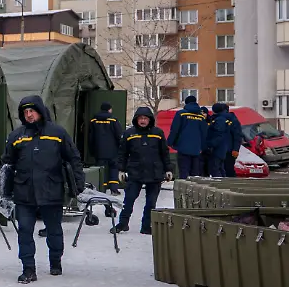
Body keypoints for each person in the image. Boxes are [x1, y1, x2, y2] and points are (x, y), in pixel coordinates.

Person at [1, 95, 85, 284]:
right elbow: (7, 163)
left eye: (32, 111)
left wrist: (77, 184)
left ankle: (56, 261)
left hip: (51, 191)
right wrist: (4, 191)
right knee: (24, 231)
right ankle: (28, 269)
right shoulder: (17, 136)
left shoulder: (57, 133)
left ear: (40, 111)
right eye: (25, 112)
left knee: (54, 230)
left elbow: (73, 158)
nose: (29, 115)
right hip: (24, 193)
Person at [113, 107, 172, 235]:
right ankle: (123, 224)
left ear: (150, 119)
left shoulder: (158, 133)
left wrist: (168, 169)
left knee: (151, 202)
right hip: (135, 172)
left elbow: (164, 153)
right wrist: (121, 170)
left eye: (145, 118)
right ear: (136, 119)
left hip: (155, 172)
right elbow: (122, 153)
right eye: (140, 118)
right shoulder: (129, 134)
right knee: (129, 200)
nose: (143, 121)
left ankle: (146, 226)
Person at [166, 95, 208, 178]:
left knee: (184, 171)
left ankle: (184, 189)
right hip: (196, 149)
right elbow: (204, 134)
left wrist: (170, 142)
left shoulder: (181, 114)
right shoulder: (201, 117)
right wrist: (203, 148)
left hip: (183, 148)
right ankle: (194, 190)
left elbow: (175, 129)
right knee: (195, 174)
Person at [89, 102, 123, 195]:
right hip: (113, 150)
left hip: (99, 151)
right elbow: (119, 135)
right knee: (113, 169)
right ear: (109, 109)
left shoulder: (93, 120)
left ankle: (101, 189)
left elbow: (91, 137)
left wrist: (92, 150)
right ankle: (114, 189)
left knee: (101, 170)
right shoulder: (113, 120)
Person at [206, 104, 234, 179]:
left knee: (215, 168)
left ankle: (220, 184)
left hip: (218, 148)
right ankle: (224, 183)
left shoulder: (219, 120)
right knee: (220, 168)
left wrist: (211, 144)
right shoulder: (222, 119)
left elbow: (219, 134)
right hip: (222, 147)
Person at [221, 103, 243, 178]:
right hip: (230, 150)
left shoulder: (217, 119)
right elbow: (238, 136)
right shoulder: (234, 120)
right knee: (229, 169)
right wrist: (236, 149)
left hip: (219, 149)